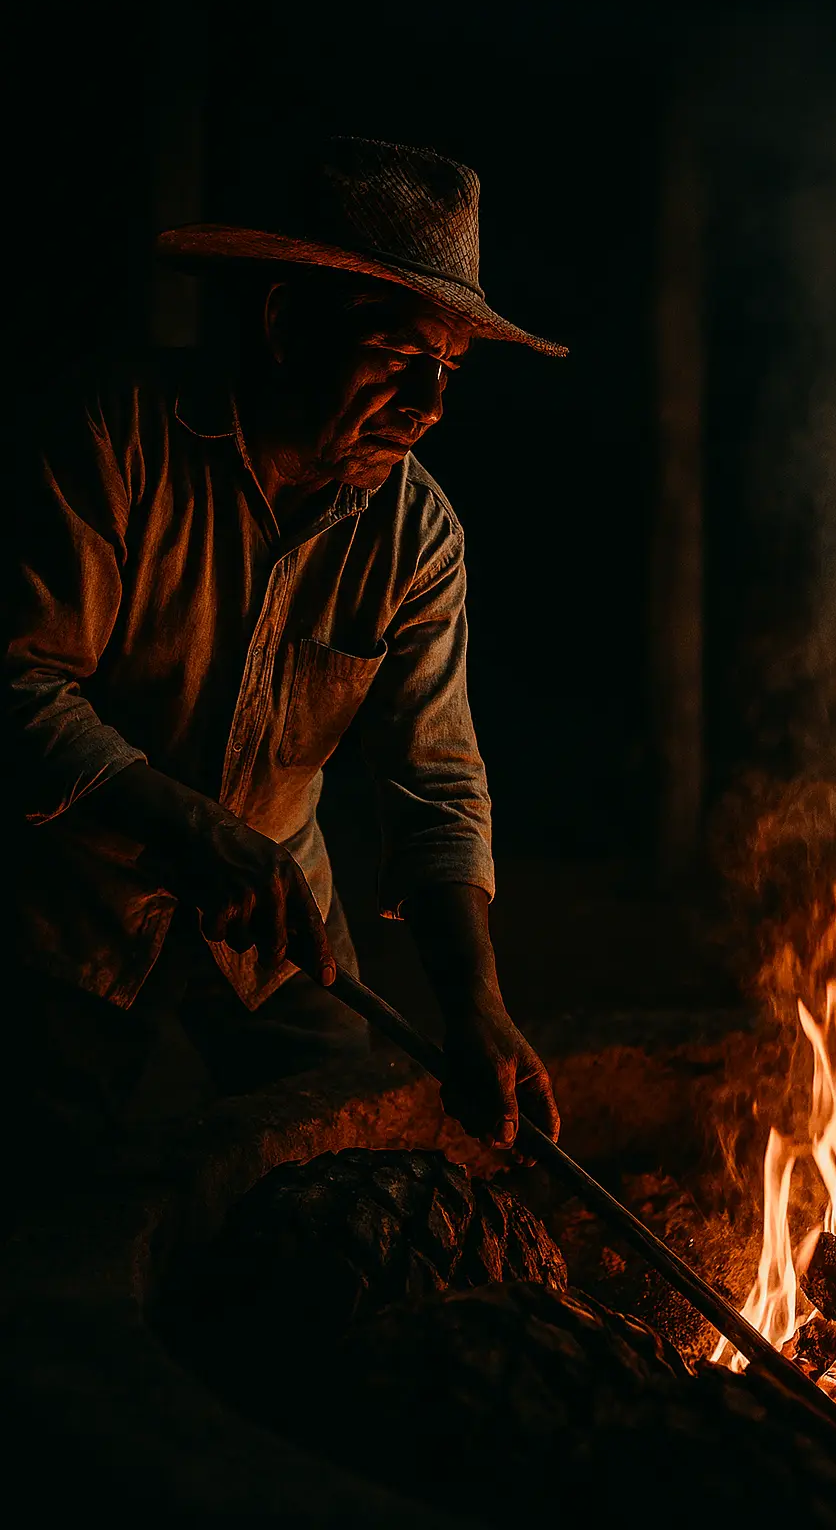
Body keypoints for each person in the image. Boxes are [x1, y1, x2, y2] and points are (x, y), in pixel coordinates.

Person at [4, 136, 565, 1161]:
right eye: (400, 354)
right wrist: (190, 830)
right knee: (60, 1193)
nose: (430, 404)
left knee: (339, 1163)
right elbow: (21, 687)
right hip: (59, 928)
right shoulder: (115, 438)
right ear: (282, 323)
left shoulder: (418, 536)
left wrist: (473, 1006)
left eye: (450, 369)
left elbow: (436, 787)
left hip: (276, 947)